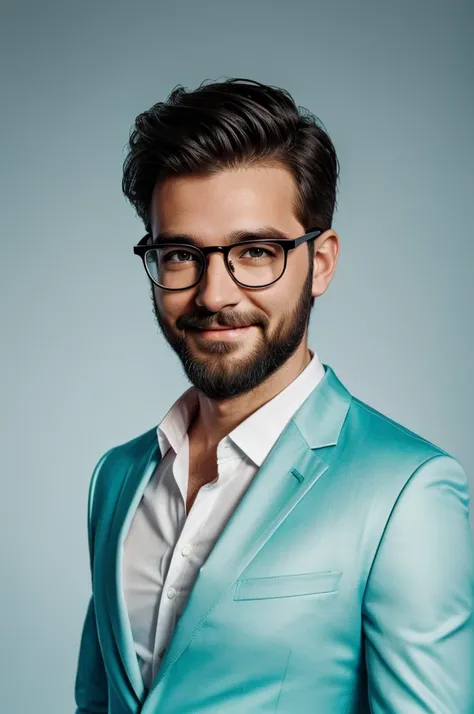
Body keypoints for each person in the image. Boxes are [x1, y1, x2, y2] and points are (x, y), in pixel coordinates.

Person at [74, 78, 474, 714]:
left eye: (256, 252)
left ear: (320, 262)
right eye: (181, 254)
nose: (214, 294)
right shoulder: (116, 479)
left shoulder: (407, 492)